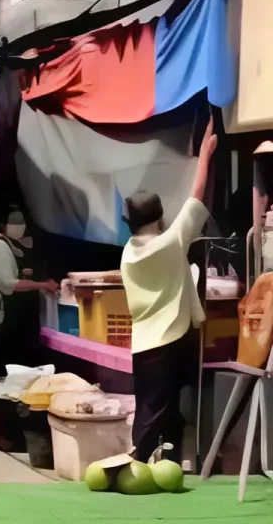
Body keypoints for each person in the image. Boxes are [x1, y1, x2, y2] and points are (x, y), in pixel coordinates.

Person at [121, 116, 218, 464]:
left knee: (155, 406)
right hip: (170, 341)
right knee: (157, 411)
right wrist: (205, 154)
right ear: (160, 218)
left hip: (144, 342)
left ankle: (165, 461)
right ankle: (133, 465)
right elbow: (196, 197)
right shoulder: (171, 243)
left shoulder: (129, 252)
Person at [0, 208, 58, 380]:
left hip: (25, 325)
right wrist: (43, 285)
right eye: (14, 222)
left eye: (22, 222)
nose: (20, 227)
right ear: (3, 225)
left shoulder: (25, 246)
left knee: (26, 375)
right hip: (2, 324)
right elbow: (8, 285)